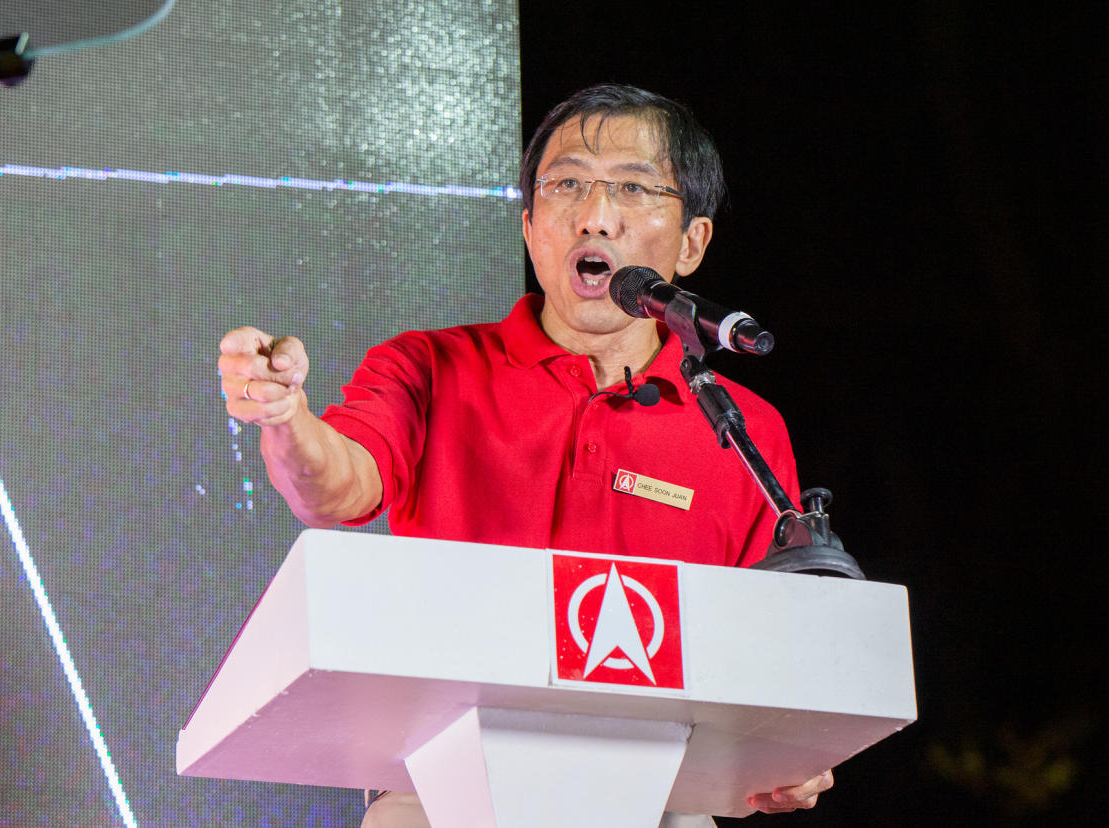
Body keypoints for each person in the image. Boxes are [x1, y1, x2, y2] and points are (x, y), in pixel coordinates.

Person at [219, 84, 834, 826]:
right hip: (444, 791)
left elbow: (771, 662)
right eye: (567, 184)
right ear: (531, 225)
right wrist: (286, 419)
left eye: (633, 188)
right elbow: (337, 484)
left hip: (660, 801)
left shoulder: (743, 426)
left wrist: (789, 755)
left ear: (692, 241)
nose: (594, 214)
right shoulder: (429, 367)